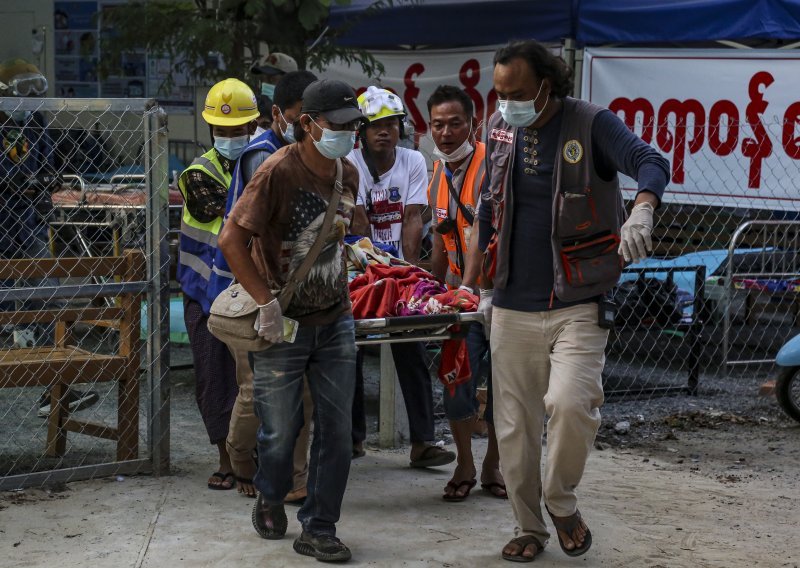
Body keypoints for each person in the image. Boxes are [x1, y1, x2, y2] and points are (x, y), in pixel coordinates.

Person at [477, 40, 670, 562]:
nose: (507, 103)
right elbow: (487, 209)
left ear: (547, 84)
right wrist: (479, 288)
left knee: (571, 404)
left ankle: (561, 501)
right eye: (498, 93)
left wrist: (643, 208)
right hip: (512, 303)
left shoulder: (591, 123)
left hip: (579, 299)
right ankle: (527, 528)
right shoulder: (498, 130)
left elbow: (649, 159)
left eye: (516, 93)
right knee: (513, 427)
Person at [218, 79, 362, 562]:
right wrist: (266, 303)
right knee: (279, 433)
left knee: (337, 432)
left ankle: (320, 526)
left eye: (354, 126)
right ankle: (269, 492)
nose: (348, 134)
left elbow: (339, 235)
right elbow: (230, 240)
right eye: (339, 126)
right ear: (308, 124)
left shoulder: (348, 173)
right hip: (282, 326)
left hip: (336, 319)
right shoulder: (277, 171)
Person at [209, 70, 318, 500]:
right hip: (251, 290)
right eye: (299, 119)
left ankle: (295, 480)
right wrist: (267, 298)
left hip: (291, 291)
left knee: (300, 389)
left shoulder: (300, 152)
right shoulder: (264, 157)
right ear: (279, 115)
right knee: (256, 388)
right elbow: (251, 236)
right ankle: (240, 462)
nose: (307, 128)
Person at [348, 85, 455, 469]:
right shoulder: (350, 161)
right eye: (375, 124)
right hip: (359, 265)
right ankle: (353, 438)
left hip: (398, 266)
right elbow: (358, 221)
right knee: (352, 350)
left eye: (391, 124)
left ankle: (423, 442)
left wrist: (407, 272)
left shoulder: (412, 160)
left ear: (400, 128)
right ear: (361, 131)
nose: (384, 131)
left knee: (411, 342)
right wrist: (376, 270)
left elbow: (413, 217)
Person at [0, 59, 99, 416]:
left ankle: (57, 389)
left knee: (50, 299)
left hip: (28, 224)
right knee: (11, 306)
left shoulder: (36, 126)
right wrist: (10, 184)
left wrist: (47, 181)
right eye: (22, 94)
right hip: (2, 225)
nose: (30, 103)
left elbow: (46, 167)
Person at [424, 85, 506, 501]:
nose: (446, 132)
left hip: (501, 295)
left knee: (504, 387)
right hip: (460, 299)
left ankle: (492, 463)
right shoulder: (437, 173)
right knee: (456, 384)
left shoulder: (491, 168)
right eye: (438, 124)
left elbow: (483, 232)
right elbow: (441, 240)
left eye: (455, 123)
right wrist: (430, 294)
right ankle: (464, 461)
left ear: (473, 124)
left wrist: (475, 289)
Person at [177, 78, 259, 491]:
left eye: (238, 130)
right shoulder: (198, 173)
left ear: (253, 126)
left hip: (250, 292)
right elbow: (239, 215)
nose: (230, 137)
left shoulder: (263, 162)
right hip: (205, 295)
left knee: (255, 380)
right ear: (211, 130)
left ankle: (251, 457)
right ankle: (227, 460)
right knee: (215, 380)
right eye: (222, 130)